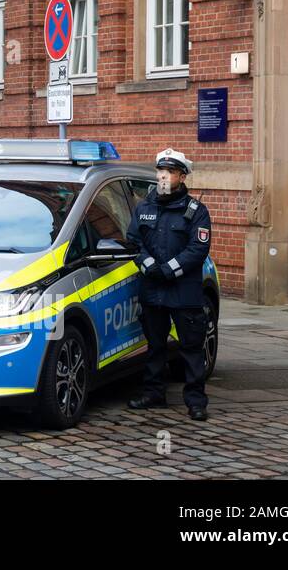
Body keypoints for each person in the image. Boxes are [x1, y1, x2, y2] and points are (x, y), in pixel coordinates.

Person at [127, 148, 213, 421]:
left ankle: (196, 401)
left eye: (170, 172)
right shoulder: (144, 207)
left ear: (182, 176)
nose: (164, 176)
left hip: (183, 291)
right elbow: (133, 242)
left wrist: (169, 270)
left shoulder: (196, 211)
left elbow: (198, 248)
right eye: (160, 171)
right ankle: (154, 393)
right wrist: (148, 265)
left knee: (191, 347)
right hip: (152, 290)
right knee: (155, 346)